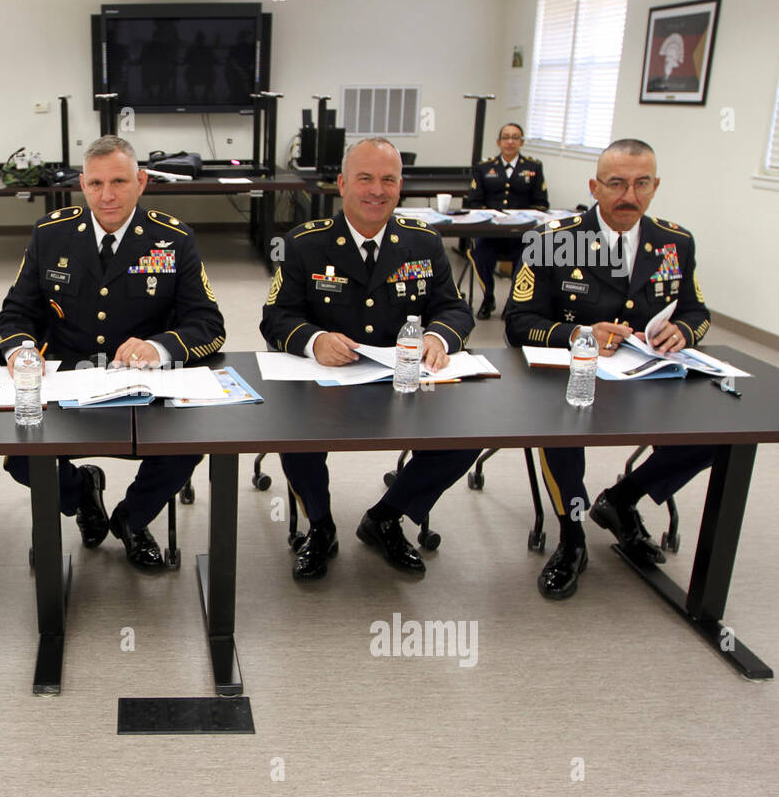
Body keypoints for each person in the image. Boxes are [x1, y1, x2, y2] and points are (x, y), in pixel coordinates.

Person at [0, 135, 225, 571]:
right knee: (19, 458)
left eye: (119, 181)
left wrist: (158, 347)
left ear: (141, 181)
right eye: (96, 183)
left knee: (189, 446)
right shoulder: (50, 234)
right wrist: (21, 350)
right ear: (82, 184)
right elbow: (14, 315)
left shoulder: (173, 239)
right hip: (67, 382)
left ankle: (132, 520)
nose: (108, 195)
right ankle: (82, 492)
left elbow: (209, 325)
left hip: (147, 386)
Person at [261, 137, 478, 579]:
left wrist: (440, 336)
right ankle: (320, 527)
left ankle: (386, 516)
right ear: (342, 184)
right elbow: (276, 317)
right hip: (325, 379)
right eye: (365, 178)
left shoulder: (424, 242)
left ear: (400, 187)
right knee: (294, 435)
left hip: (405, 380)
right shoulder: (303, 243)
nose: (376, 190)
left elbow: (455, 309)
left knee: (466, 436)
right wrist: (314, 339)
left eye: (388, 180)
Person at [504, 137, 712, 600]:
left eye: (641, 184)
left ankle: (622, 500)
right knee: (559, 433)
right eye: (616, 184)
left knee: (720, 433)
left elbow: (697, 312)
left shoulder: (675, 241)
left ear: (655, 186)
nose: (629, 196)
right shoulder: (553, 240)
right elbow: (518, 324)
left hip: (650, 378)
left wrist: (685, 332)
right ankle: (572, 537)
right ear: (595, 187)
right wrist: (580, 335)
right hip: (572, 378)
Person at [465, 123, 549, 319]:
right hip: (491, 231)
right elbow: (474, 202)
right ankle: (488, 297)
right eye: (506, 137)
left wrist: (524, 217)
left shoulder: (533, 167)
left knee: (528, 256)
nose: (510, 141)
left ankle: (514, 301)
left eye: (515, 137)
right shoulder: (484, 167)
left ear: (522, 142)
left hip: (521, 233)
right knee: (480, 253)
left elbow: (542, 203)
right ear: (499, 142)